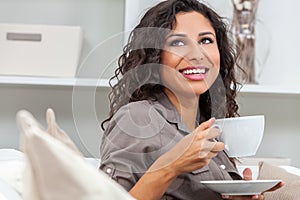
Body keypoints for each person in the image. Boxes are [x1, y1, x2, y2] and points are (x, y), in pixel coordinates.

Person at [99, 0, 283, 199]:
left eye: (205, 41)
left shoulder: (207, 126)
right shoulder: (137, 118)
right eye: (177, 42)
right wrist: (170, 166)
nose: (197, 54)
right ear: (155, 56)